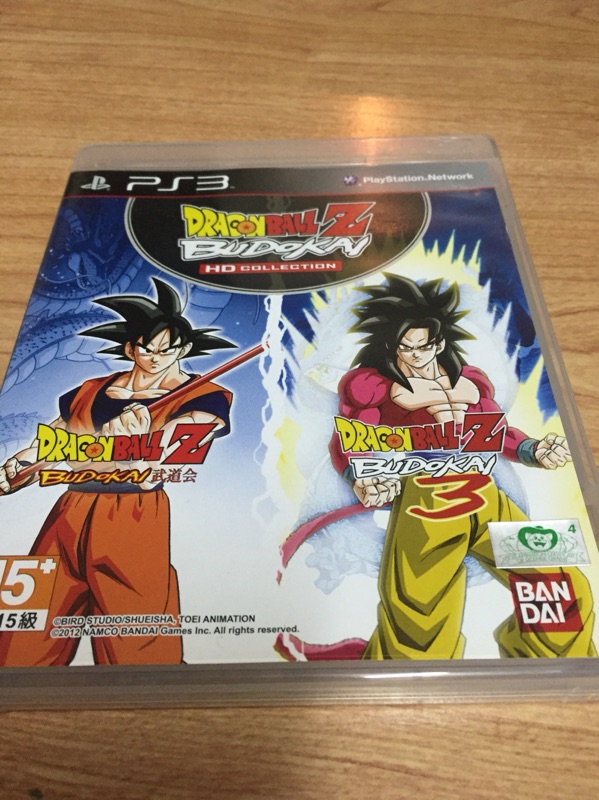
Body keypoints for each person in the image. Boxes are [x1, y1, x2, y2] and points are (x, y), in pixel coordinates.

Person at [329, 274, 595, 659]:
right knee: (418, 626)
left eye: (422, 345)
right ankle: (411, 686)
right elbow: (350, 439)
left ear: (438, 342)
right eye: (405, 347)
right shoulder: (374, 386)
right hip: (427, 503)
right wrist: (360, 477)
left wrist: (532, 450)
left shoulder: (469, 380)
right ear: (392, 345)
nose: (414, 355)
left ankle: (545, 666)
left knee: (560, 588)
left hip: (486, 497)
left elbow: (495, 431)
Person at [0, 278, 235, 666]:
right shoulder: (89, 390)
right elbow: (54, 442)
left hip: (132, 518)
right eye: (147, 347)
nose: (156, 356)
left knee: (138, 644)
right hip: (69, 511)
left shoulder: (204, 399)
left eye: (167, 348)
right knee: (26, 634)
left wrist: (139, 447)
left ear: (183, 349)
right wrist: (20, 466)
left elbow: (159, 468)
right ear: (131, 348)